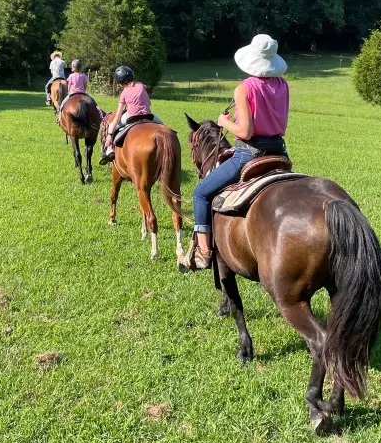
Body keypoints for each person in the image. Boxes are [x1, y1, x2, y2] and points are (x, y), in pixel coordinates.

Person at [184, 34, 290, 271]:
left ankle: (203, 252)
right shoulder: (283, 84)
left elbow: (246, 130)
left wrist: (223, 122)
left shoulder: (244, 88)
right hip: (278, 151)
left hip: (249, 154)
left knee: (200, 192)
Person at [99, 66, 161, 165]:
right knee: (163, 127)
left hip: (131, 118)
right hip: (148, 116)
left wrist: (110, 134)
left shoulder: (123, 93)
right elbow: (147, 94)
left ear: (119, 83)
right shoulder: (141, 85)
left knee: (111, 126)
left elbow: (118, 116)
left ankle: (109, 148)